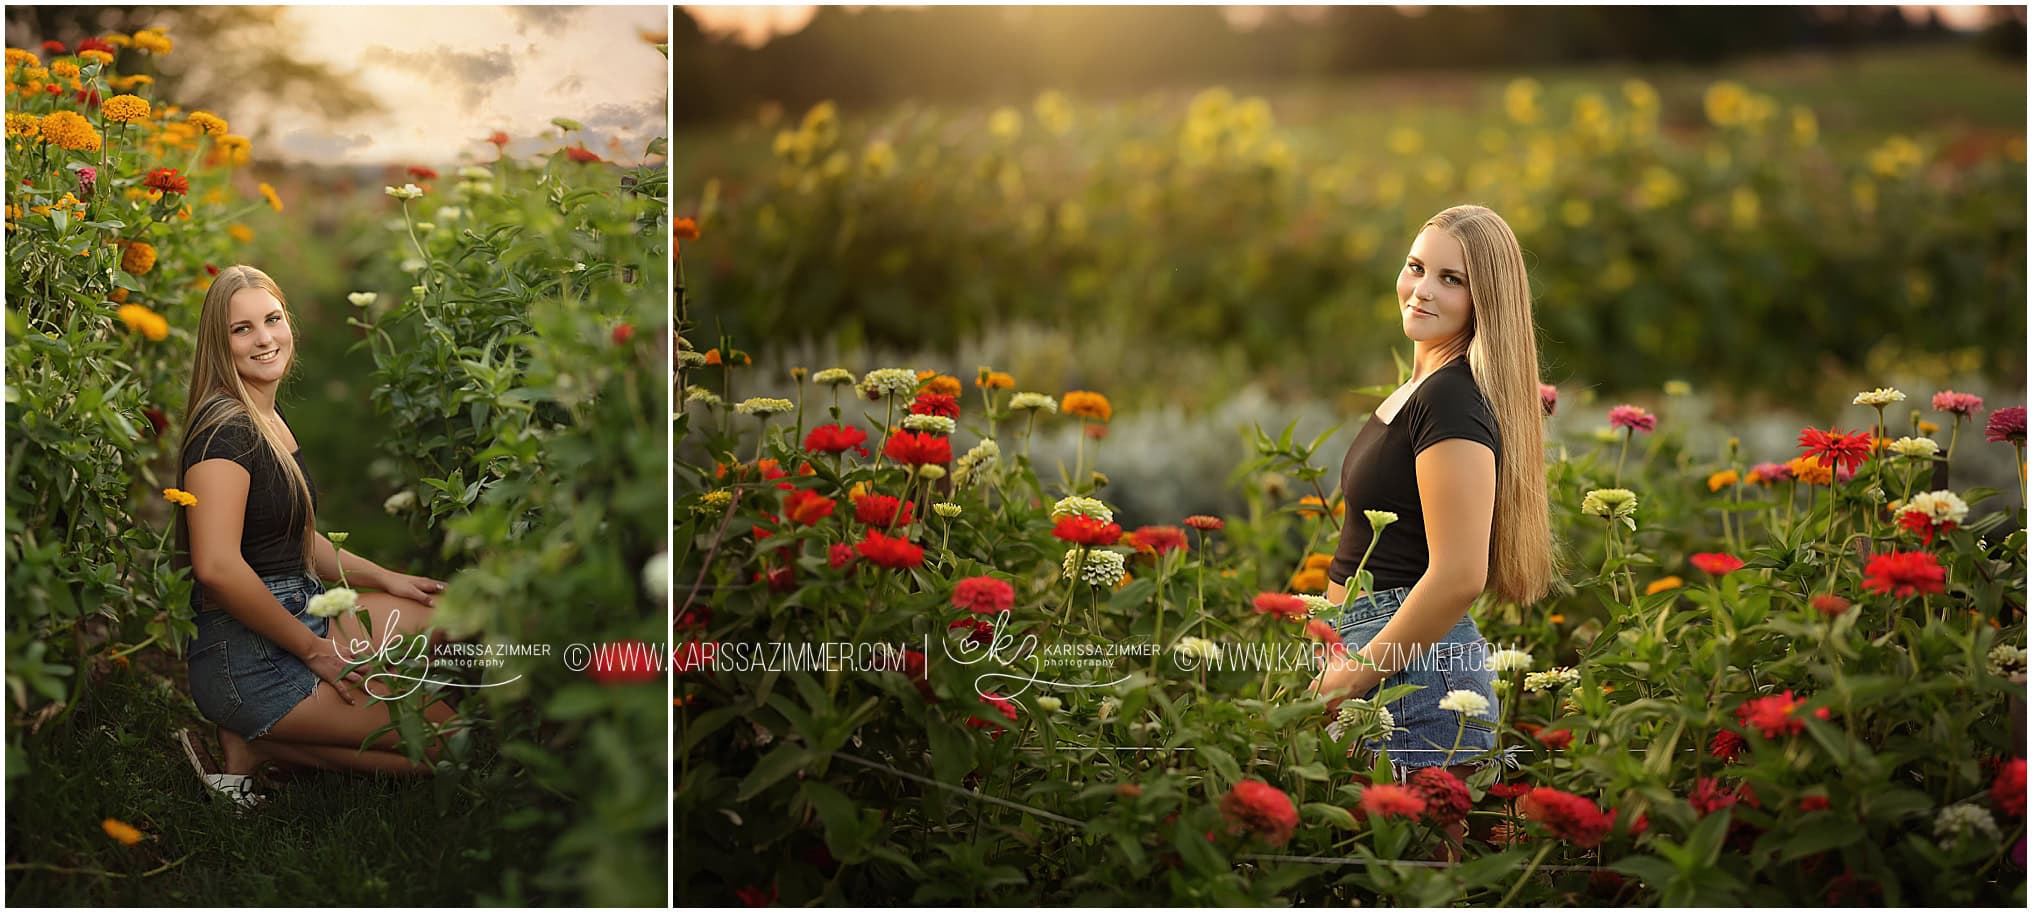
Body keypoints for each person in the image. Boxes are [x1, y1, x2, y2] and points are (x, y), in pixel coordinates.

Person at [1305, 205, 1562, 847]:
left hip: (1415, 680)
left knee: (1412, 885)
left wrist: (1357, 670)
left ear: (1485, 301)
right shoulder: (1420, 387)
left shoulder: (1452, 397)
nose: (1422, 289)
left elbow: (1458, 575)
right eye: (1417, 267)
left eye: (1452, 279)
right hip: (1378, 658)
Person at [173, 265, 459, 808]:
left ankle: (307, 720)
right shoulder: (224, 435)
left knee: (451, 614)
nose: (264, 339)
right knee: (447, 744)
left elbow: (295, 538)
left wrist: (387, 578)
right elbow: (217, 566)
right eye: (242, 329)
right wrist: (316, 652)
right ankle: (262, 743)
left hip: (298, 608)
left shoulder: (265, 417)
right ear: (219, 343)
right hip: (249, 654)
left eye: (273, 320)